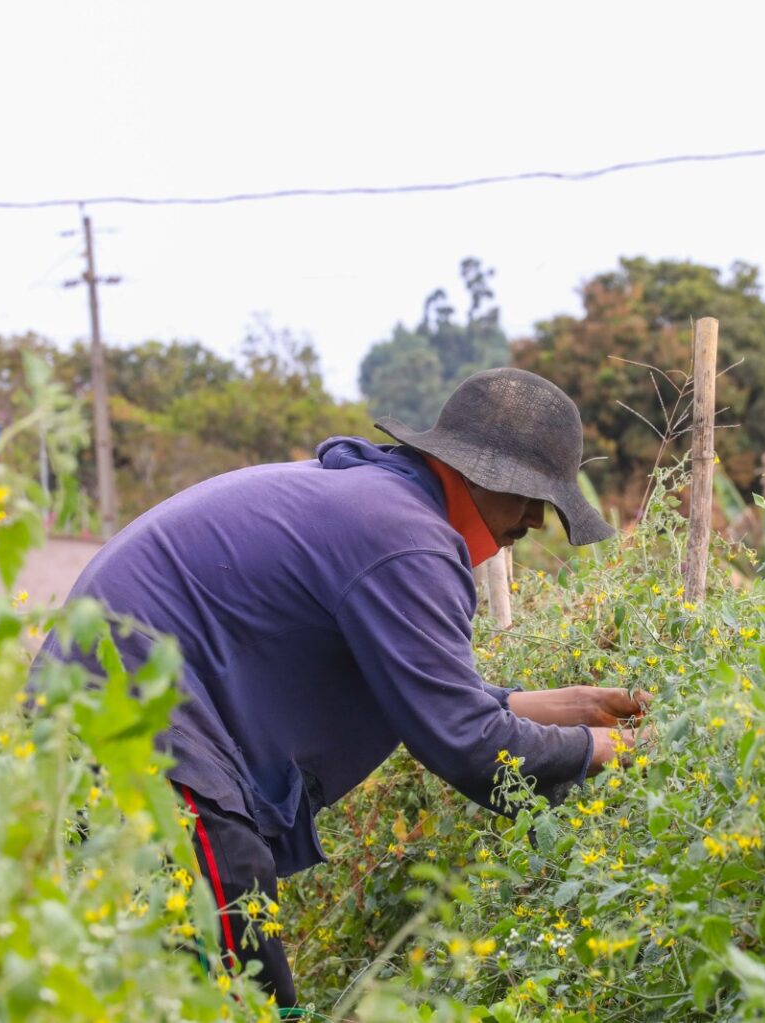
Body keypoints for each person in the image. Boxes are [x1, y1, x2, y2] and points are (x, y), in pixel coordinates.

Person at [41, 367, 645, 1009]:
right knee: (241, 991)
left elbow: (440, 702)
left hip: (106, 723)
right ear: (472, 471)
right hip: (137, 737)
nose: (534, 519)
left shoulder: (379, 507)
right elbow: (466, 741)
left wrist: (578, 712)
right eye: (525, 493)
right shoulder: (405, 540)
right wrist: (621, 751)